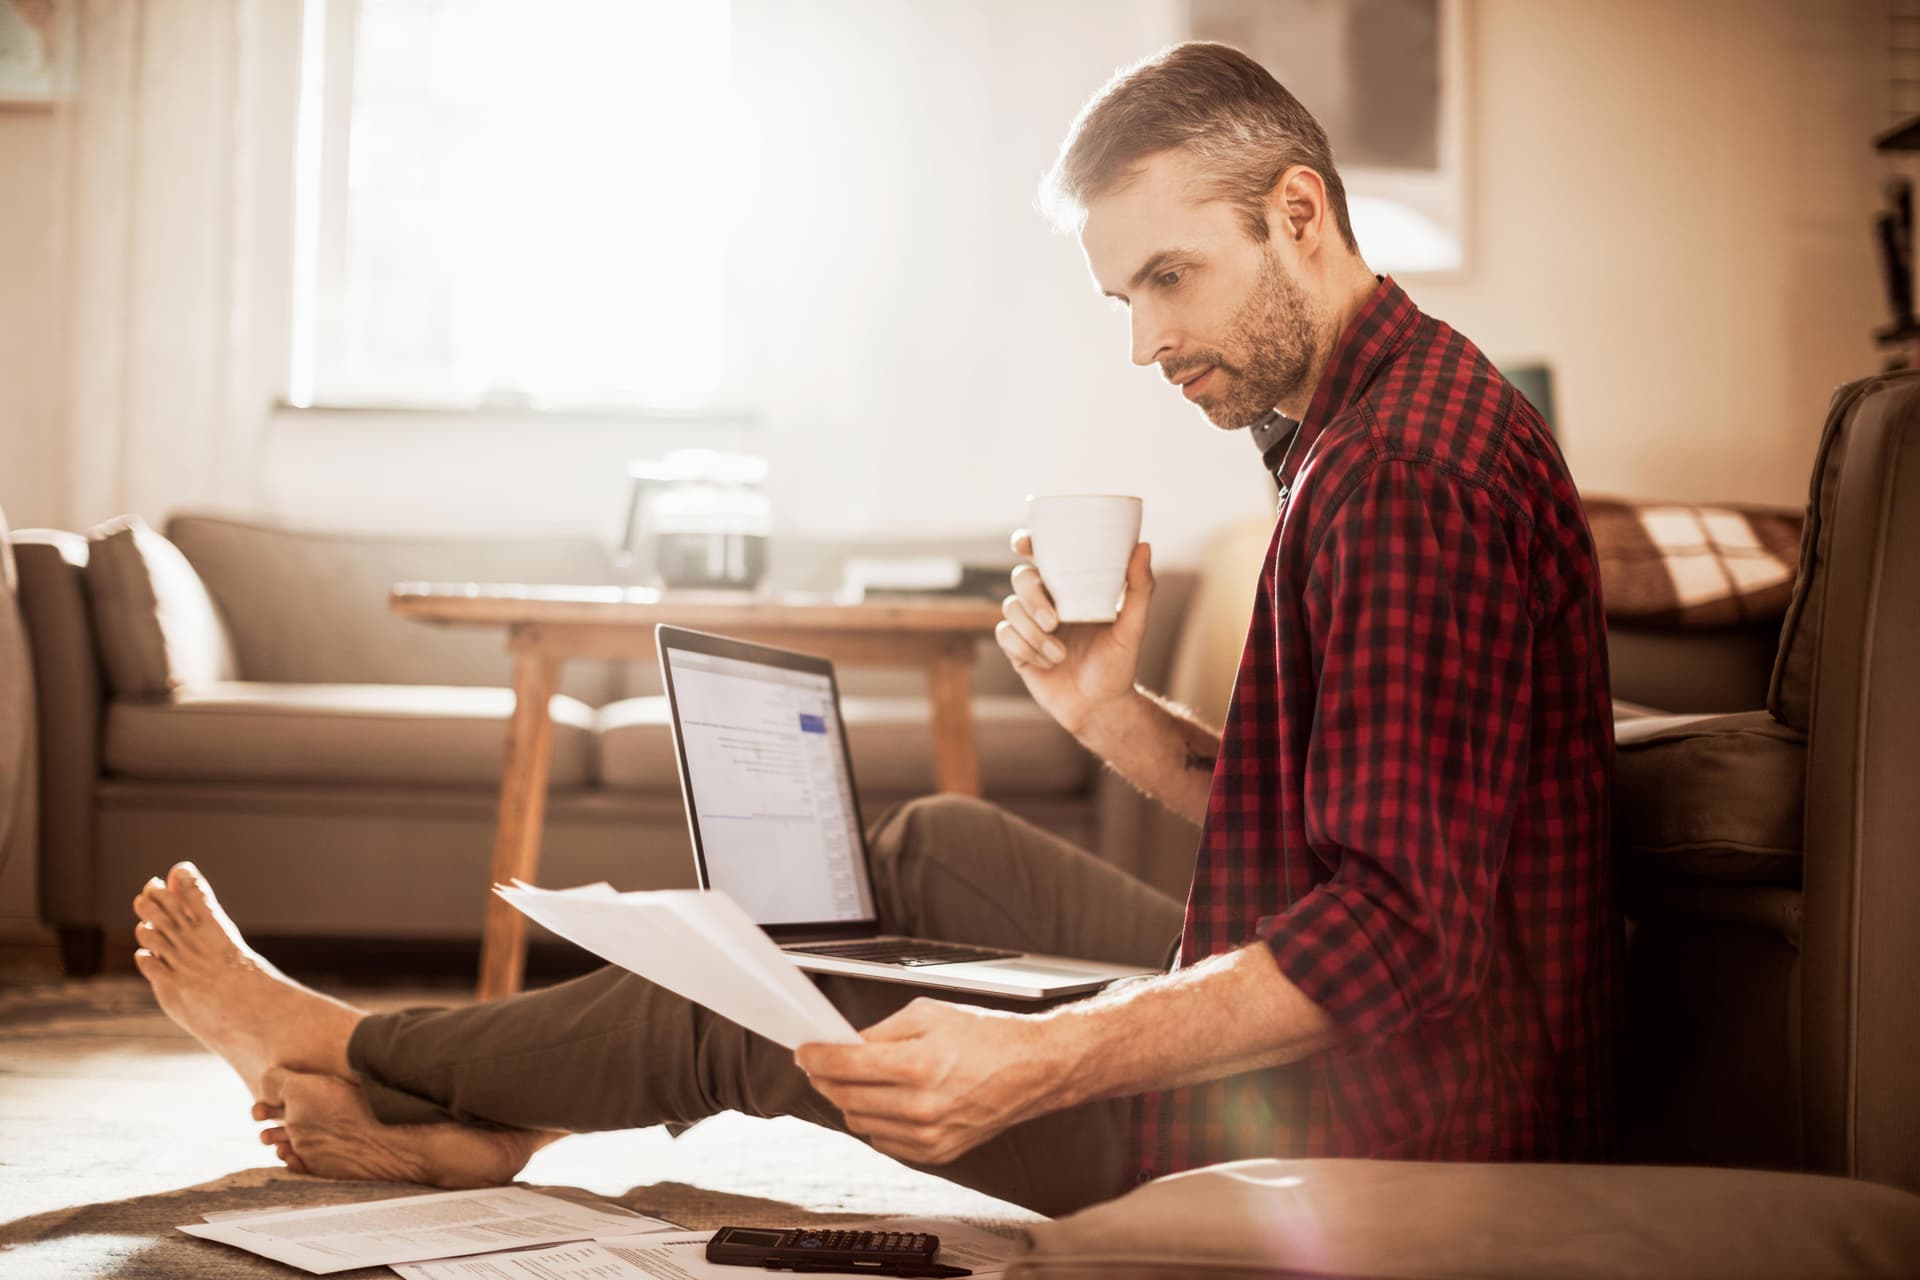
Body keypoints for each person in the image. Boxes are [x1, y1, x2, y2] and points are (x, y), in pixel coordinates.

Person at [131, 41, 1616, 1217]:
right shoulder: (1366, 424)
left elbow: (1398, 933)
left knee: (783, 1003)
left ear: (1299, 213)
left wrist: (1041, 1056)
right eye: (1123, 294)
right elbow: (1353, 830)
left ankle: (347, 1046)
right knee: (930, 853)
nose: (1147, 338)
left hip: (1389, 1116)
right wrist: (1111, 716)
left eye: (1172, 277)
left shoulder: (1403, 477)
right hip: (1384, 1050)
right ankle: (501, 1115)